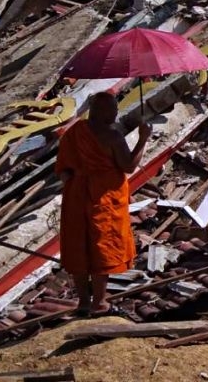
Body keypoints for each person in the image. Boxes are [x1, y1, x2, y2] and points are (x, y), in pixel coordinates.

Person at [57, 91, 151, 316]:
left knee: (79, 245)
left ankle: (83, 303)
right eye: (113, 109)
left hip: (75, 197)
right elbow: (128, 166)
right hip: (104, 197)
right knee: (103, 246)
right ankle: (99, 303)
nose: (116, 113)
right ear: (102, 111)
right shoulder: (112, 137)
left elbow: (63, 171)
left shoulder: (73, 133)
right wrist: (143, 139)